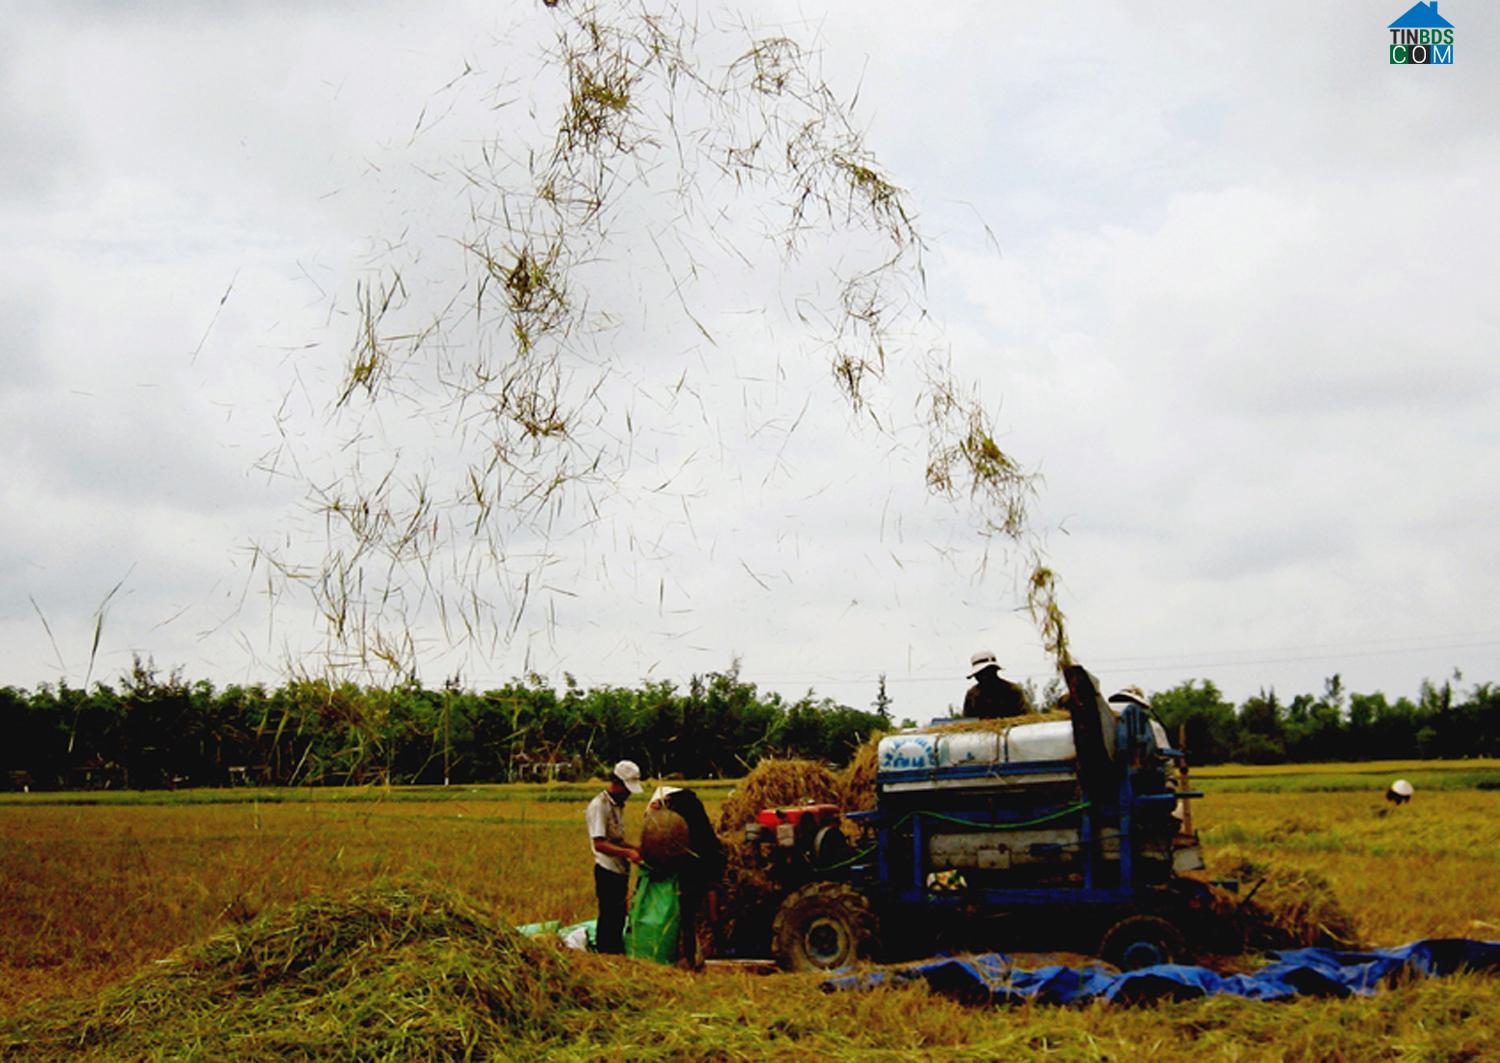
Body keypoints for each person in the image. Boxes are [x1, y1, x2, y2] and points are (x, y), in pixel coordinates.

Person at [586, 759, 643, 954]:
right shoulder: (599, 806)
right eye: (626, 789)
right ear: (616, 783)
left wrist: (635, 848)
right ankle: (606, 956)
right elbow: (599, 843)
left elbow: (616, 841)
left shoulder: (618, 806)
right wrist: (628, 853)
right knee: (609, 917)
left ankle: (616, 954)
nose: (628, 794)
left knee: (619, 916)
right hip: (607, 870)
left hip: (620, 870)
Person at [962, 650, 1027, 718]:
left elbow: (1025, 718)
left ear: (994, 671)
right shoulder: (972, 695)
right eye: (979, 674)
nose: (981, 677)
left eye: (986, 673)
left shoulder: (1012, 691)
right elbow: (968, 722)